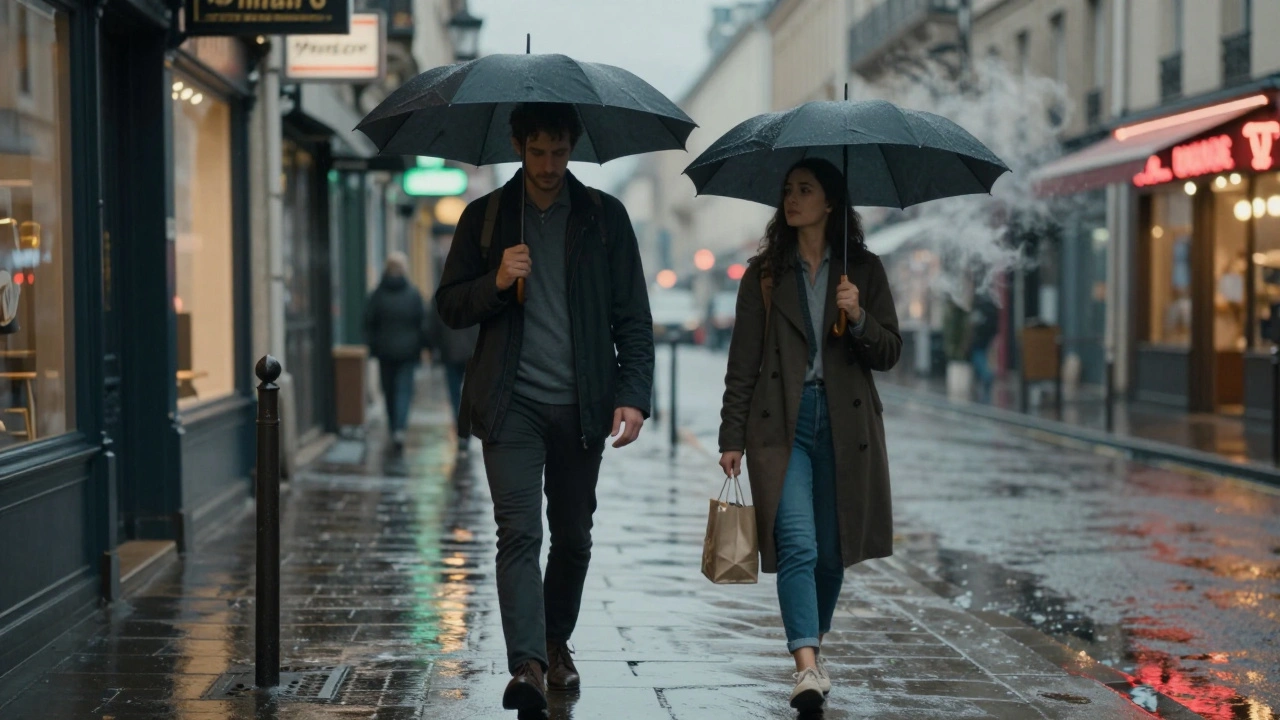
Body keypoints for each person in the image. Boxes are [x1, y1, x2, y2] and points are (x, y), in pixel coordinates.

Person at [434, 102, 654, 714]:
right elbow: (450, 306)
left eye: (559, 152)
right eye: (537, 152)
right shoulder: (486, 217)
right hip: (511, 405)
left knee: (574, 536)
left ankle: (557, 640)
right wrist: (497, 281)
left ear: (571, 147)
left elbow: (634, 317)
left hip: (583, 406)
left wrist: (633, 395)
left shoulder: (605, 217)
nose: (549, 165)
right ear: (518, 146)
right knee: (518, 532)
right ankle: (528, 666)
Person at [717, 158, 901, 711]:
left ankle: (812, 651)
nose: (792, 199)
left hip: (846, 426)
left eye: (805, 190)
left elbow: (890, 352)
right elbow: (742, 363)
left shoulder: (863, 270)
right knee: (797, 542)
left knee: (830, 553)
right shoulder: (765, 274)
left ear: (830, 202)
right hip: (781, 424)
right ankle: (805, 665)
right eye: (788, 190)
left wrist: (859, 316)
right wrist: (731, 436)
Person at [363, 252, 426, 449]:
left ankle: (394, 427)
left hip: (385, 351)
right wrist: (422, 346)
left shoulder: (378, 294)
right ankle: (399, 428)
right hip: (408, 351)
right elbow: (422, 322)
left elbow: (369, 322)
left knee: (389, 390)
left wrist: (373, 346)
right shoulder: (413, 294)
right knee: (403, 390)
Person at [423, 295, 479, 453]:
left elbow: (432, 325)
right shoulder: (476, 289)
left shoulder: (442, 294)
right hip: (472, 350)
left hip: (450, 350)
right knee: (469, 392)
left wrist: (433, 347)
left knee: (455, 393)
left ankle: (462, 429)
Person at [969, 292, 1000, 403]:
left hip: (979, 344)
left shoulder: (979, 310)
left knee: (983, 369)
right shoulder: (990, 310)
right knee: (981, 367)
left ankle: (984, 391)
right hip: (985, 343)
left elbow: (972, 328)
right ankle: (982, 391)